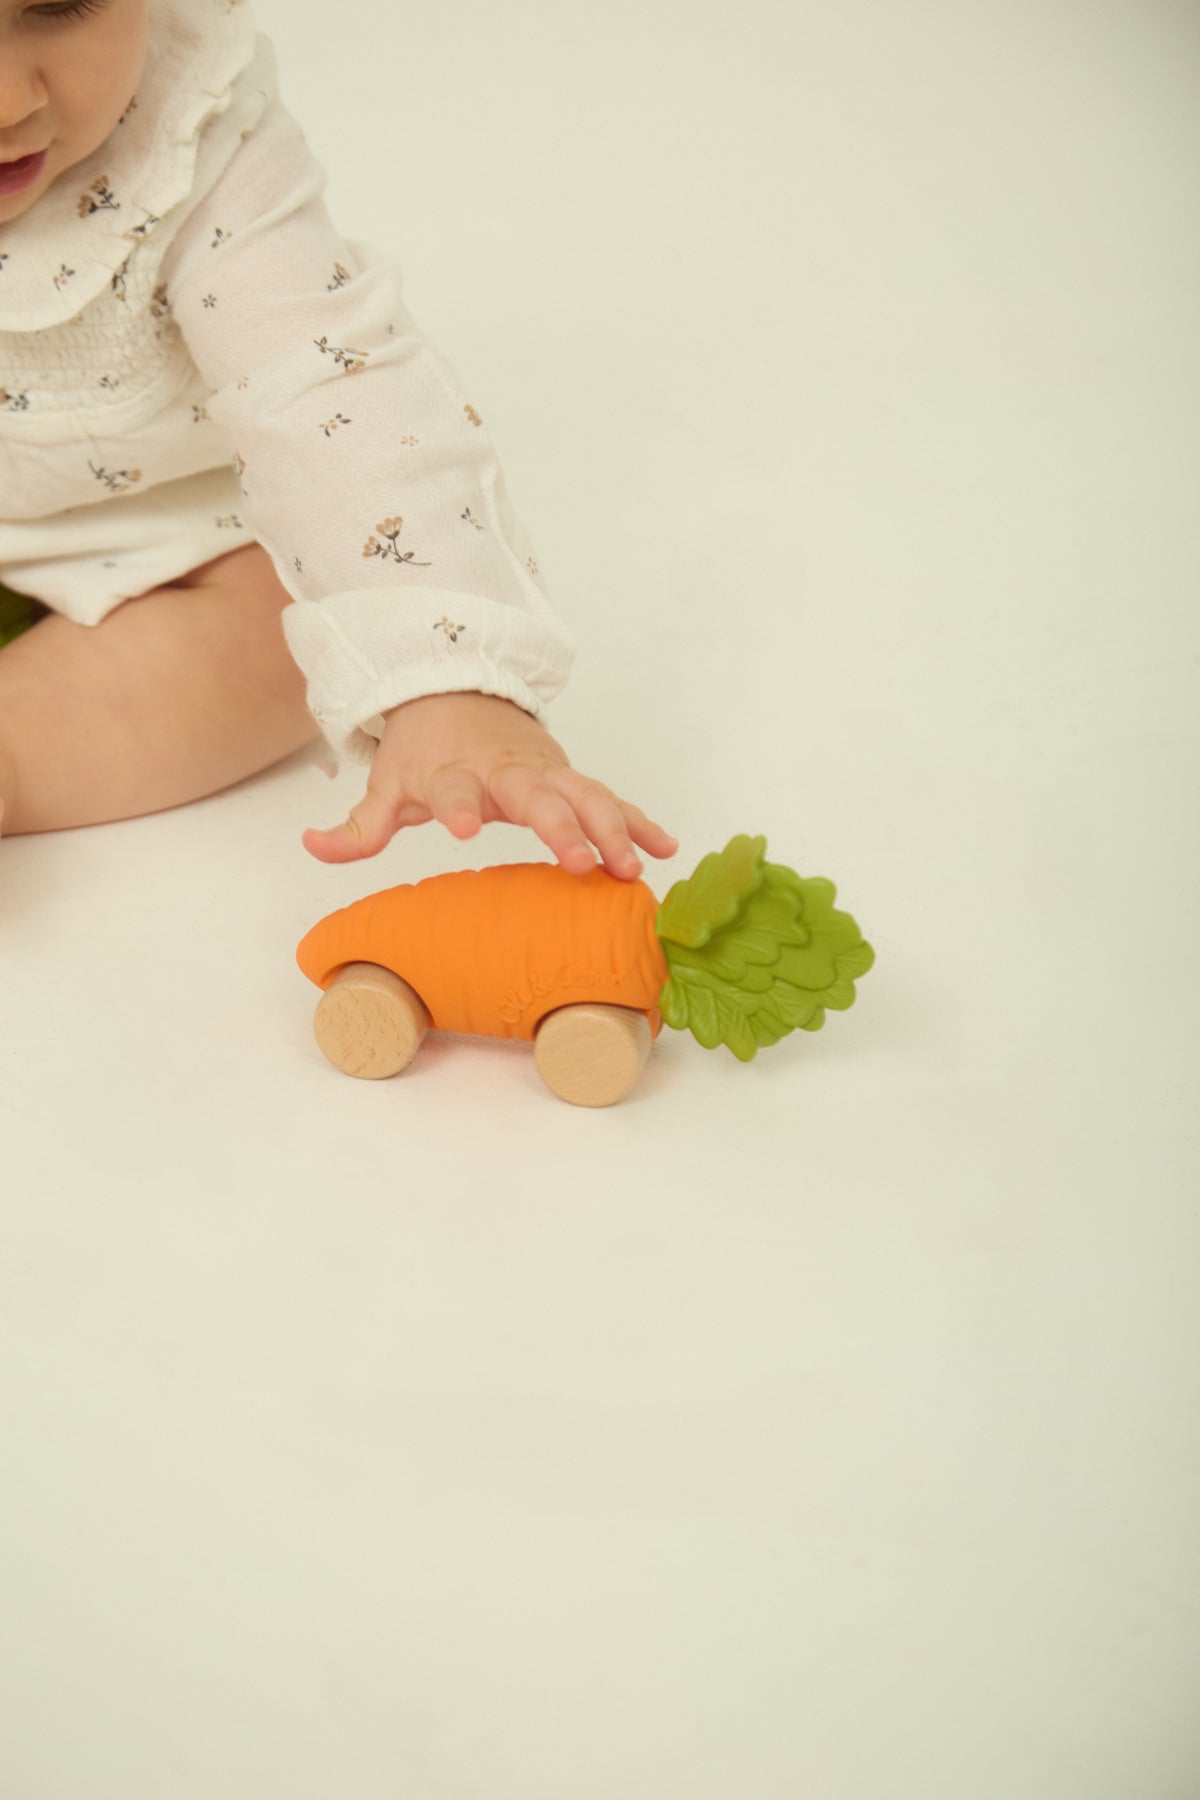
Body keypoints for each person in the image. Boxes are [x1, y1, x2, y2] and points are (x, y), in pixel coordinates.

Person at [0, 0, 677, 884]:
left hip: (162, 541)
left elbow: (326, 388)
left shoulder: (196, 148)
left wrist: (447, 678)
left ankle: (15, 756)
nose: (10, 99)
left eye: (61, 5)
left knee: (277, 628)